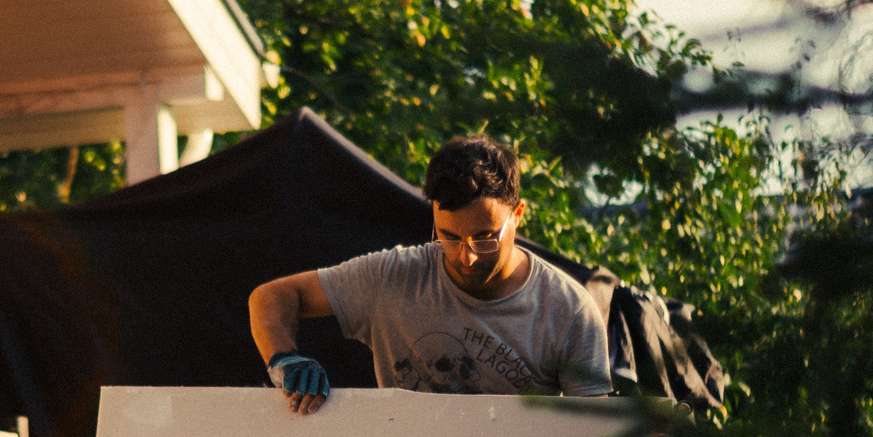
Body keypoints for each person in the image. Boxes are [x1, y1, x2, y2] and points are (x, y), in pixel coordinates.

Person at [246, 135, 613, 409]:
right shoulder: (393, 276)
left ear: (517, 215)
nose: (466, 257)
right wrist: (285, 359)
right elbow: (271, 296)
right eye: (449, 237)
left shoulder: (569, 312)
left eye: (485, 239)